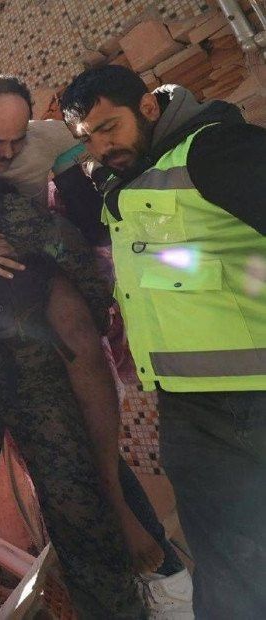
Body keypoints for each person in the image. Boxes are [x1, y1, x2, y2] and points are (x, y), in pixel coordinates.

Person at [0, 75, 191, 610]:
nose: (4, 153)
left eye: (15, 140)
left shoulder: (15, 206)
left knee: (82, 513)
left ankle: (137, 589)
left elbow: (75, 261)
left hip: (39, 379)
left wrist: (86, 303)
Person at [61, 64, 266, 619]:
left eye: (110, 127)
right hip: (189, 408)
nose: (102, 147)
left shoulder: (215, 150)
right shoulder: (133, 182)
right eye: (88, 139)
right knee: (227, 569)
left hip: (252, 400)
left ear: (149, 107)